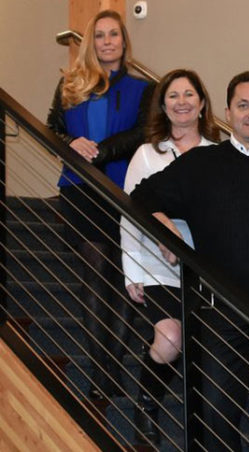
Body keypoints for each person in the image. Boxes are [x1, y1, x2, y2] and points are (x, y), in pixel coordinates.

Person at [129, 71, 249, 450]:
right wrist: (168, 230)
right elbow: (141, 196)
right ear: (228, 110)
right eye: (243, 105)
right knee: (214, 416)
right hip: (218, 312)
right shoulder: (200, 164)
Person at [46, 9, 152, 401]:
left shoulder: (144, 88)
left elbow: (143, 133)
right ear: (91, 42)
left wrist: (101, 151)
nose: (107, 41)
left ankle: (114, 366)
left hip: (123, 190)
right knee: (94, 273)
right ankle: (100, 371)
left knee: (124, 282)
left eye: (114, 35)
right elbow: (51, 128)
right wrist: (69, 144)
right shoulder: (70, 84)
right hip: (78, 190)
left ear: (124, 41)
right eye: (100, 35)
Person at [120, 68, 219, 445]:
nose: (182, 102)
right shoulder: (148, 154)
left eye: (189, 94)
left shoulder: (217, 154)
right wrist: (132, 272)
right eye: (173, 95)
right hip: (156, 266)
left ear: (202, 103)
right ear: (163, 105)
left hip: (204, 270)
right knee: (170, 338)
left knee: (205, 346)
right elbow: (129, 212)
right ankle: (146, 406)